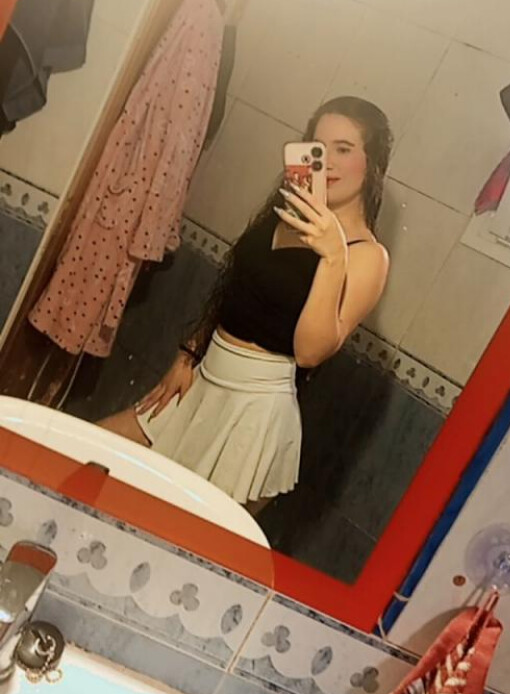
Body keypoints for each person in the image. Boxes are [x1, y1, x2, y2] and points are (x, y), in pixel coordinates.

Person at [100, 96, 393, 511]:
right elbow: (238, 291)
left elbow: (310, 353)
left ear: (373, 163)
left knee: (175, 532)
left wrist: (332, 256)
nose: (326, 162)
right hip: (203, 379)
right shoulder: (287, 212)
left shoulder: (367, 255)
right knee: (85, 458)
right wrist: (189, 353)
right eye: (317, 146)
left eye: (343, 149)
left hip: (254, 414)